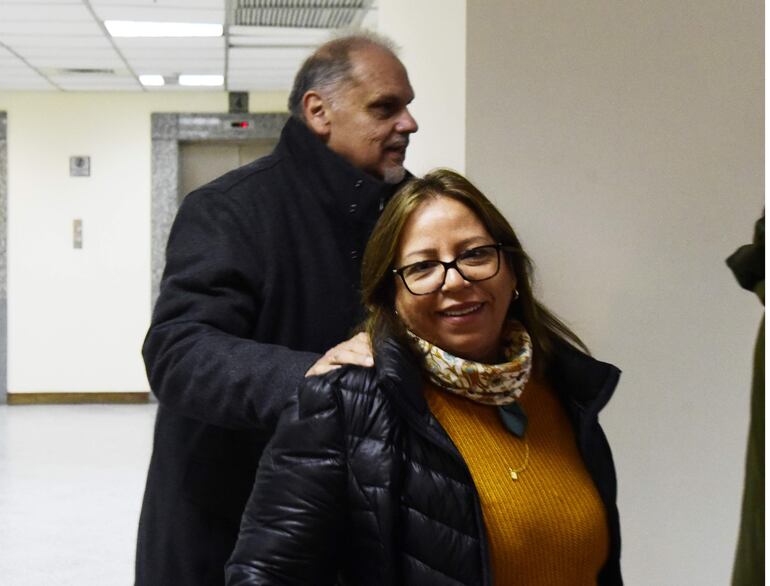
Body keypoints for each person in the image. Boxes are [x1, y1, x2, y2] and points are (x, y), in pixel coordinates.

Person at [226, 169, 623, 585]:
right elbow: (265, 576)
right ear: (391, 296)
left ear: (511, 272)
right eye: (423, 267)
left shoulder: (564, 391)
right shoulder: (342, 404)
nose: (455, 280)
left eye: (475, 254)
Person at [135, 33, 418, 585]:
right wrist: (314, 379)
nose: (408, 123)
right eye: (385, 107)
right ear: (319, 112)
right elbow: (179, 352)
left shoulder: (413, 210)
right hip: (233, 520)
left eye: (407, 106)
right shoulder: (229, 210)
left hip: (359, 521)